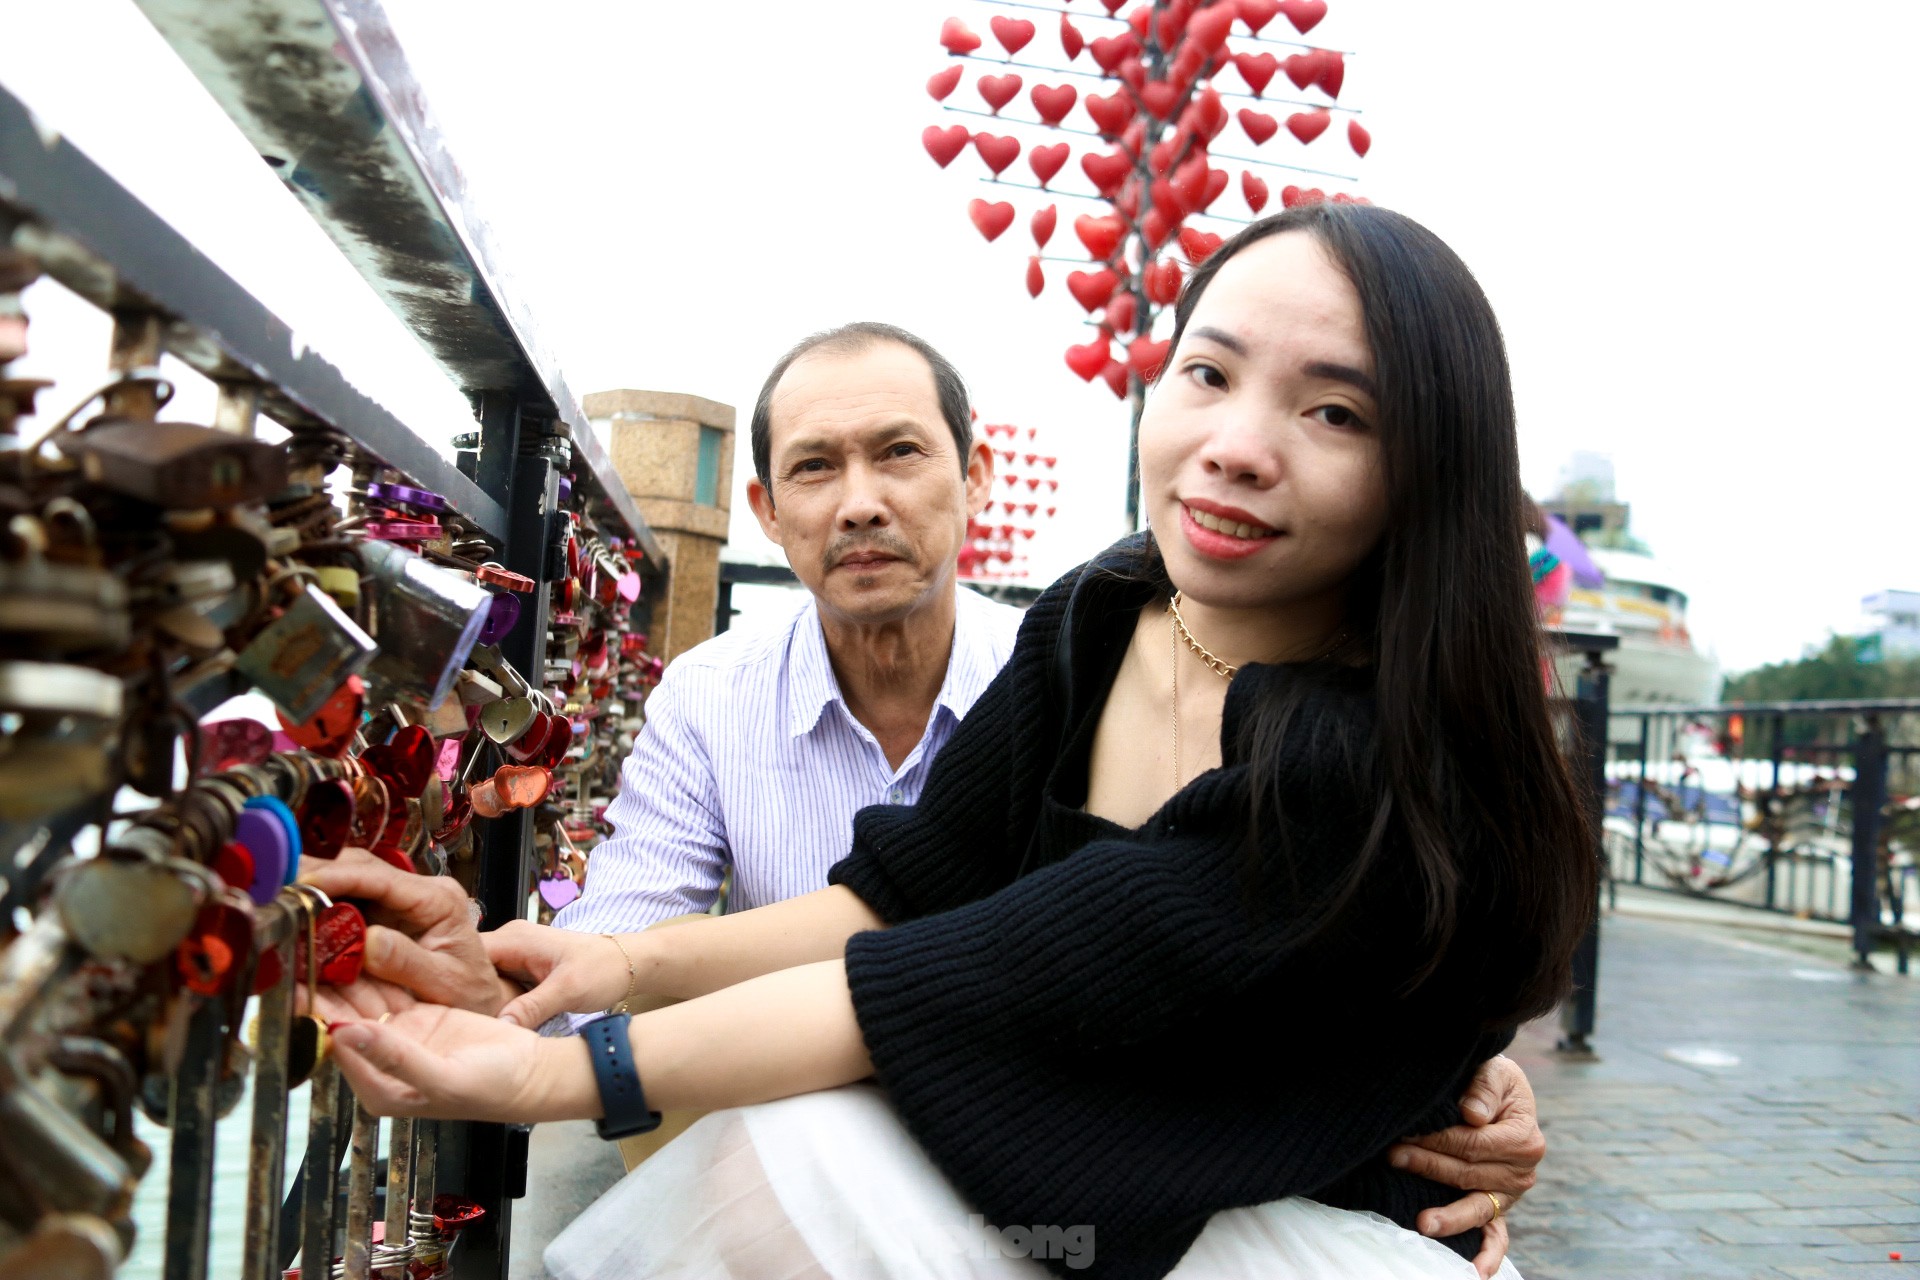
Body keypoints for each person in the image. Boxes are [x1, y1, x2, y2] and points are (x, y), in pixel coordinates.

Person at [307, 202, 1590, 1279]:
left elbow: (958, 978)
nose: (1237, 446)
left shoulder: (1355, 762)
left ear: (972, 480)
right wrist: (599, 975)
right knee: (814, 1143)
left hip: (1270, 1220)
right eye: (1208, 372)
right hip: (1083, 1177)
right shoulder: (1098, 617)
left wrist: (548, 1078)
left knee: (817, 1145)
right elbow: (906, 894)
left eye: (1336, 414)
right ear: (766, 504)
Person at [551, 324, 1023, 943]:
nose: (859, 504)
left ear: (974, 478)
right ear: (768, 510)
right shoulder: (708, 699)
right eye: (814, 466)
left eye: (899, 452)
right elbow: (618, 947)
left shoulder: (1059, 675)